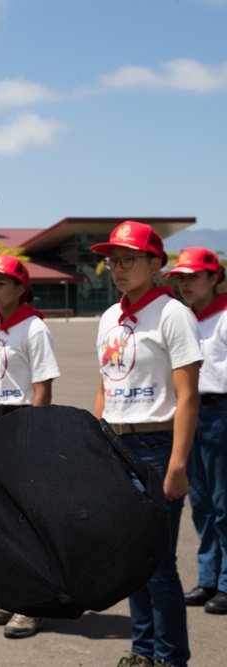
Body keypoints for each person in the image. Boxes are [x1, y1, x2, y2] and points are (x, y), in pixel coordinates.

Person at [91, 221, 202, 667]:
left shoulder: (173, 315)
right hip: (116, 446)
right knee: (131, 559)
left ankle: (171, 657)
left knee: (159, 565)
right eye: (113, 260)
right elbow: (105, 386)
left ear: (156, 264)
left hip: (156, 447)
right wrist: (95, 441)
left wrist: (178, 464)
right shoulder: (108, 317)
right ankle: (142, 650)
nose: (118, 268)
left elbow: (189, 394)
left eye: (129, 259)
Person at [0, 254, 60, 639]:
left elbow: (43, 389)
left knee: (24, 521)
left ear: (21, 288)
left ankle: (32, 605)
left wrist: (31, 439)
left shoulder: (34, 328)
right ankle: (6, 597)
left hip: (20, 422)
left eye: (0, 283)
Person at [164, 247, 227, 616]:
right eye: (180, 278)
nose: (185, 283)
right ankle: (208, 578)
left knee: (223, 503)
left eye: (192, 276)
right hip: (191, 413)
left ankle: (224, 582)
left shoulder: (223, 317)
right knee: (201, 502)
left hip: (220, 412)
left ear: (214, 277)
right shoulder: (185, 318)